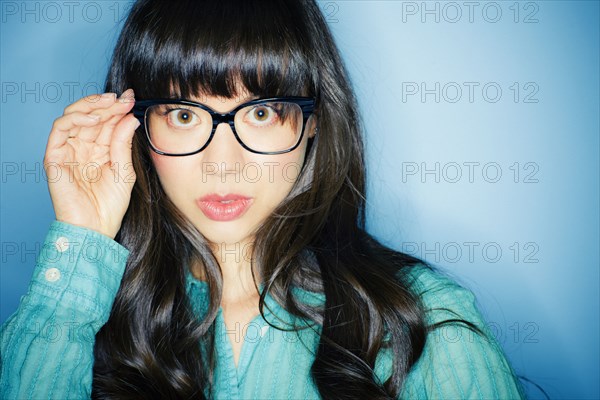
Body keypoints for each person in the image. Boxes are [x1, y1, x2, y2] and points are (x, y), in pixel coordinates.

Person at [0, 0, 527, 399]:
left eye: (260, 112)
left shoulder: (422, 321)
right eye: (184, 115)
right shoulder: (76, 318)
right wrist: (83, 236)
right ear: (135, 129)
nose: (223, 163)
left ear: (313, 123)